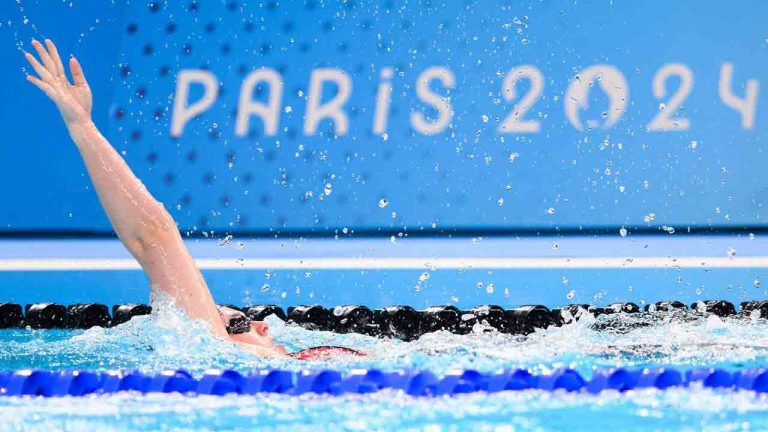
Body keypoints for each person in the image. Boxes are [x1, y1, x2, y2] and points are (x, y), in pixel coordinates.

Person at [23, 39, 361, 359]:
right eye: (238, 324)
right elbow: (152, 236)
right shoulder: (240, 355)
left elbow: (156, 235)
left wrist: (84, 127)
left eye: (239, 322)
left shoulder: (232, 353)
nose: (263, 324)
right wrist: (82, 127)